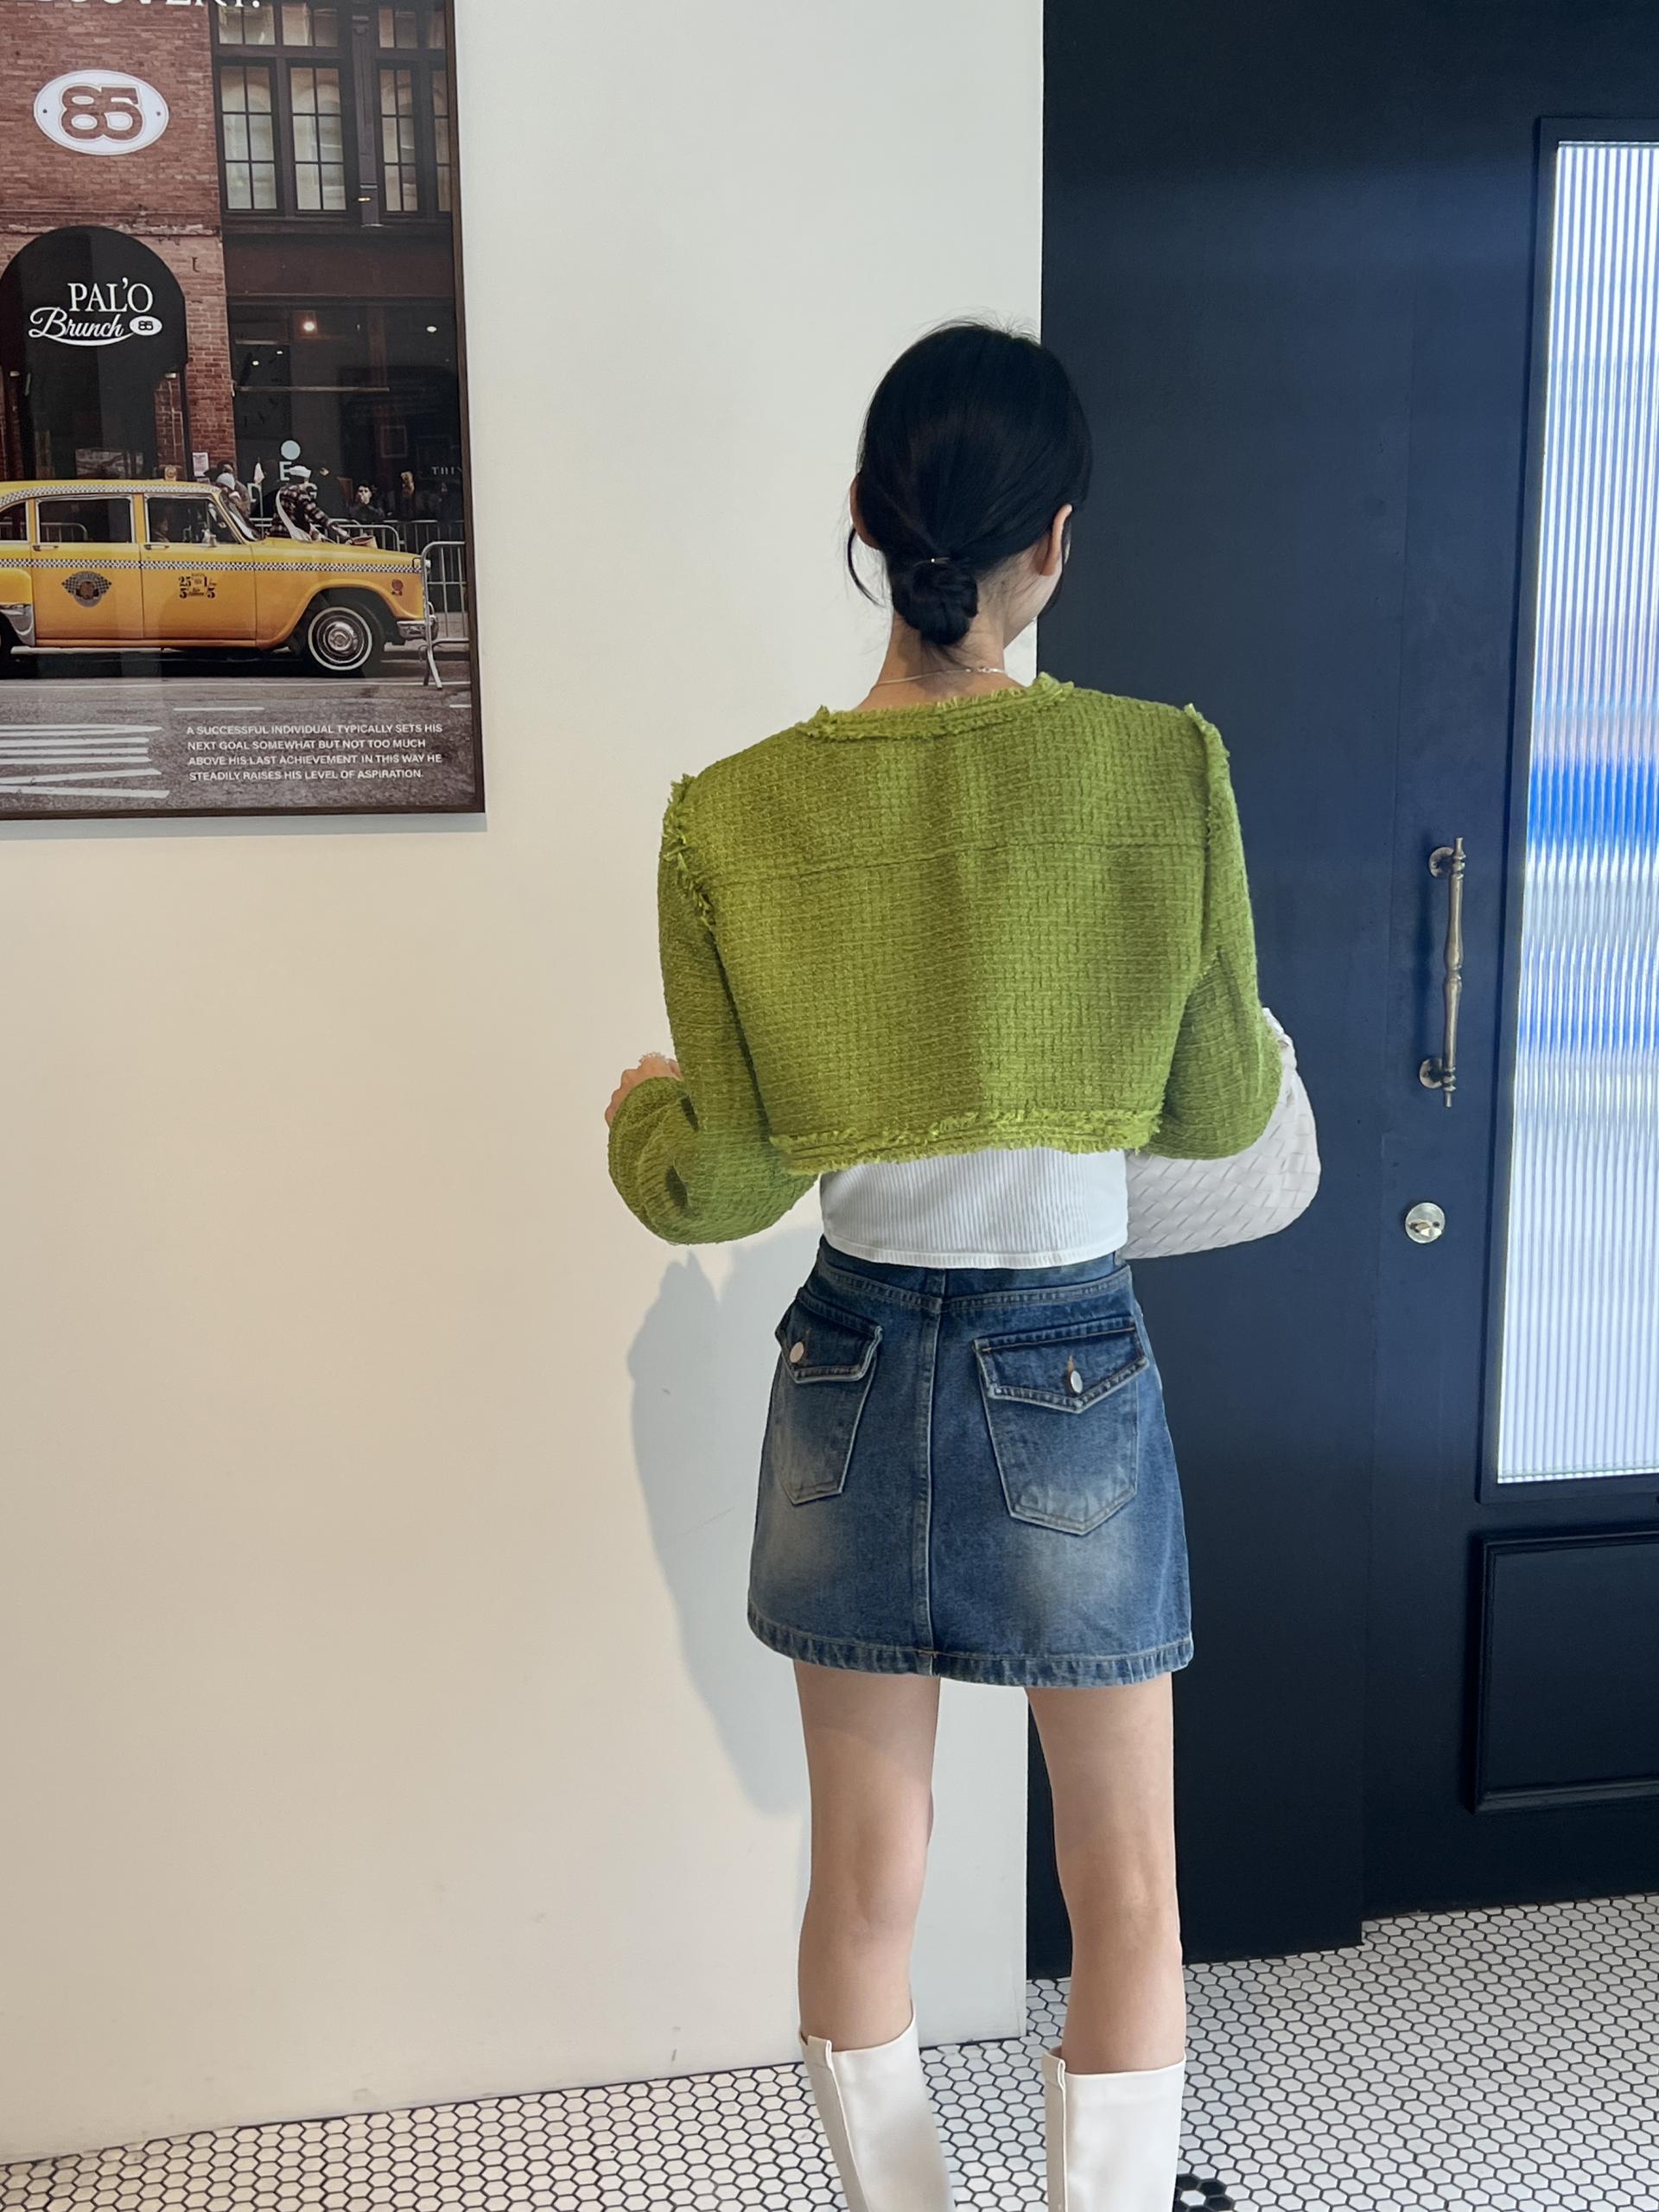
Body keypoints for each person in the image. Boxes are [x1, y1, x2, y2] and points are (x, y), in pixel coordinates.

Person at [603, 321, 1282, 2212]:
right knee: (1126, 1884)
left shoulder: (731, 813)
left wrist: (640, 1119)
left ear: (862, 516)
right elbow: (1220, 1107)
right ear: (1053, 541)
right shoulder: (1163, 768)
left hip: (846, 1365)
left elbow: (719, 1186)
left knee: (862, 1877)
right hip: (1071, 1361)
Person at [273, 465, 331, 542]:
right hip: (291, 540)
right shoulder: (299, 493)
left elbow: (293, 516)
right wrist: (337, 529)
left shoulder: (281, 492)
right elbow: (316, 514)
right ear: (304, 480)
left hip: (275, 538)